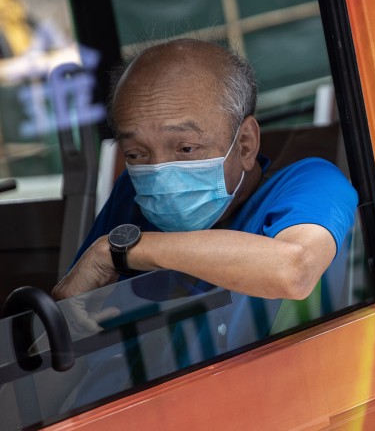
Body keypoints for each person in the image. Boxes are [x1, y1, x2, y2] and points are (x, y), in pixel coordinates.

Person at [53, 38, 358, 302]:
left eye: (186, 148)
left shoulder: (310, 183)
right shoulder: (130, 194)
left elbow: (294, 270)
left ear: (245, 144)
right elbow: (77, 301)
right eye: (136, 153)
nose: (159, 174)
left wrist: (126, 250)